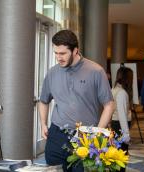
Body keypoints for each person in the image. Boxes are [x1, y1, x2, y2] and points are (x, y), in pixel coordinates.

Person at [39, 30, 115, 172]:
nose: (58, 57)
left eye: (62, 53)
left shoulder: (96, 71)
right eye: (56, 53)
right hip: (56, 134)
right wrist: (43, 123)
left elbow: (109, 104)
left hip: (85, 137)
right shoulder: (52, 73)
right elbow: (43, 101)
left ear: (75, 50)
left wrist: (97, 132)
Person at [111, 67, 133, 172]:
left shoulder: (114, 89)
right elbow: (122, 116)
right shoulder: (122, 93)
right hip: (120, 127)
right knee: (120, 159)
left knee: (114, 158)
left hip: (115, 125)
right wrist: (126, 134)